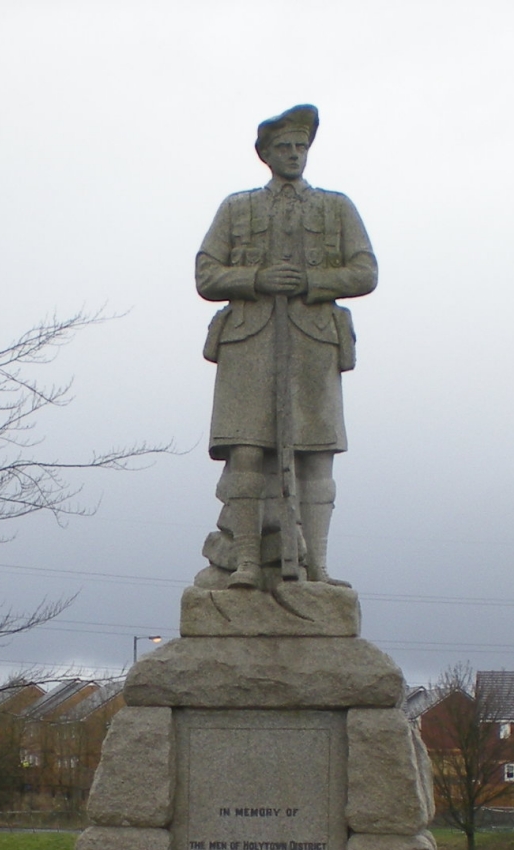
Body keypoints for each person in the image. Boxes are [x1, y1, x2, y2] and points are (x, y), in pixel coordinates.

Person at [195, 104, 377, 588]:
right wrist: (256, 278)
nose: (294, 155)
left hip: (312, 343)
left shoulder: (335, 207)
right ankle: (248, 563)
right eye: (284, 147)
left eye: (301, 147)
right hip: (249, 346)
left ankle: (316, 566)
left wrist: (312, 280)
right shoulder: (237, 208)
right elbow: (206, 273)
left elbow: (365, 271)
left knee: (317, 456)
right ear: (265, 155)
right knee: (248, 454)